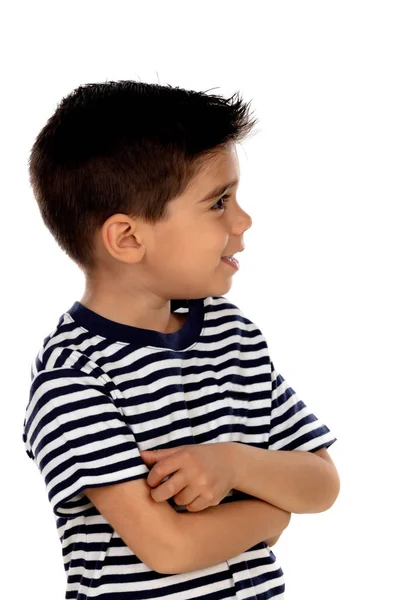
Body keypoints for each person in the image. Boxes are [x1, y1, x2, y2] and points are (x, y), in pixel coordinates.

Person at [22, 80, 340, 600]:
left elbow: (323, 484)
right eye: (219, 202)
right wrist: (271, 511)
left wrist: (233, 462)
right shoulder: (73, 378)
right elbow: (168, 548)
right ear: (128, 239)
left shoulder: (230, 334)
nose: (244, 221)